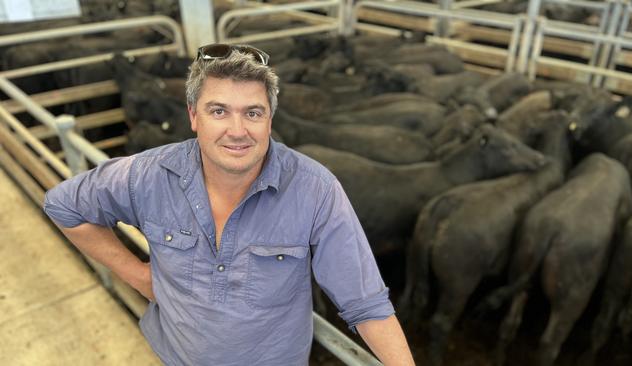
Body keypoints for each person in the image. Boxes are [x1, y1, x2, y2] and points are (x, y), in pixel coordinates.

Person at [43, 43, 415, 366]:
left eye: (253, 112)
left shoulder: (314, 189)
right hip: (176, 358)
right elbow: (62, 205)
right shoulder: (148, 174)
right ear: (193, 117)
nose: (237, 130)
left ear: (269, 120)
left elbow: (366, 304)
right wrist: (138, 276)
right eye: (218, 111)